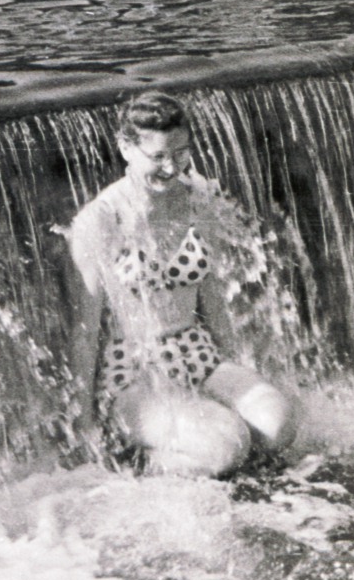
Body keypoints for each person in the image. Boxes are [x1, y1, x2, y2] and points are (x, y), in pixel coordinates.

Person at [65, 92, 297, 476]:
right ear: (126, 148)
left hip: (198, 352)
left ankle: (208, 450)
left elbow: (214, 302)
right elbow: (84, 332)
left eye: (182, 153)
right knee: (225, 446)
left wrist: (232, 371)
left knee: (277, 423)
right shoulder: (99, 221)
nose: (172, 168)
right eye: (158, 157)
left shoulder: (197, 201)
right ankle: (139, 470)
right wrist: (83, 422)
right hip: (135, 370)